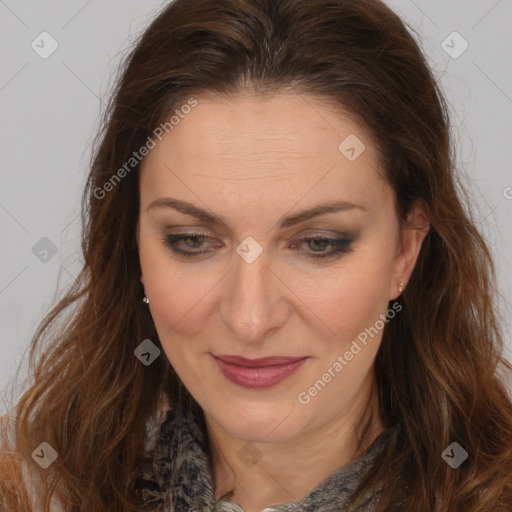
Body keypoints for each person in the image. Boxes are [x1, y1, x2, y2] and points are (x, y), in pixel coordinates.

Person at [1, 0, 512, 510]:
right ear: (133, 245)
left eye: (318, 244)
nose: (249, 319)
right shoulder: (30, 493)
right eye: (193, 240)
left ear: (405, 249)